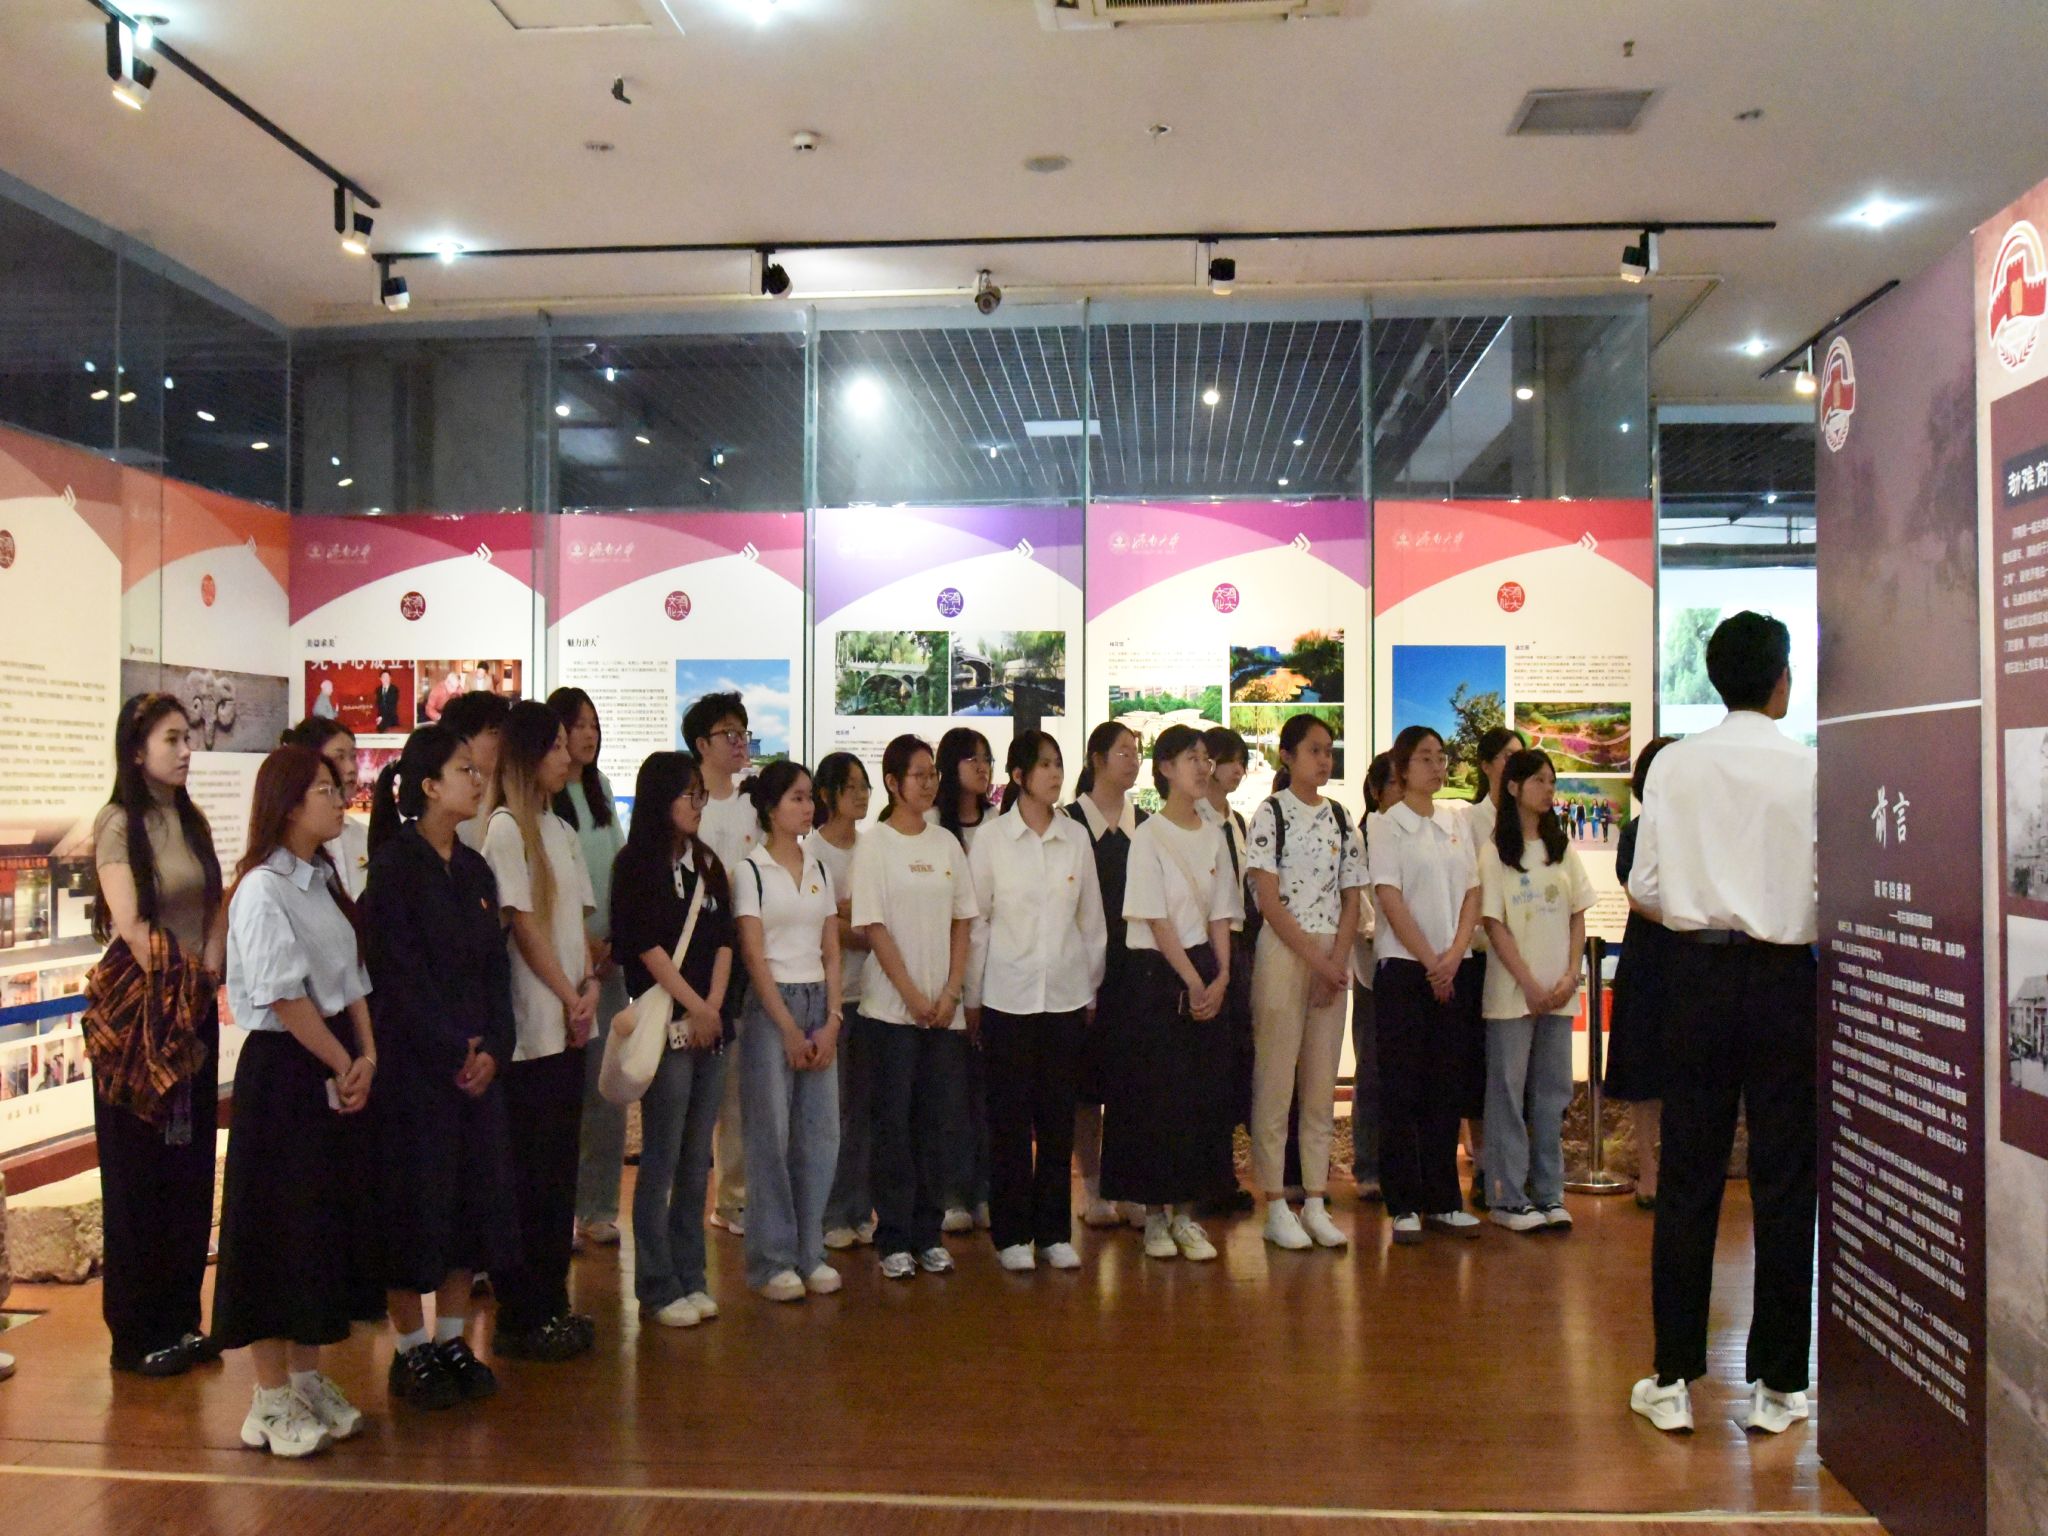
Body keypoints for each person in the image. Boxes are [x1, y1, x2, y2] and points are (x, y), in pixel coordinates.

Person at [1626, 613, 1817, 1437]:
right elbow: (1827, 886)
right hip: (1784, 980)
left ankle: (1672, 1379)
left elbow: (1645, 887)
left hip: (1696, 978)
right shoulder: (1809, 767)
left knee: (1688, 1175)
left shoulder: (1676, 764)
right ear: (1780, 679)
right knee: (1785, 1178)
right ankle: (1781, 1387)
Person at [213, 745, 376, 1458]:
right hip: (285, 1072)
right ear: (287, 805)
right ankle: (269, 1396)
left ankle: (307, 1379)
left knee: (320, 1228)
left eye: (338, 788)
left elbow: (354, 978)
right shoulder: (261, 889)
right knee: (274, 1229)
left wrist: (367, 1057)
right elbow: (284, 995)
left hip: (334, 1059)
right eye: (323, 790)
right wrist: (343, 1061)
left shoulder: (324, 880)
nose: (339, 800)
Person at [361, 725, 519, 1410]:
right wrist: (455, 1049)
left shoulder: (475, 868)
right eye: (463, 771)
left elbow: (495, 969)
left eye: (477, 771)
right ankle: (410, 1349)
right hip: (416, 1072)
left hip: (475, 1069)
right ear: (428, 785)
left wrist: (495, 1047)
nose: (477, 780)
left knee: (469, 1204)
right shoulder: (395, 867)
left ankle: (453, 1339)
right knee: (410, 1207)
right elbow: (397, 977)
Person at [83, 693, 226, 1378]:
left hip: (193, 1011)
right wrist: (190, 984)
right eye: (172, 739)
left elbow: (214, 906)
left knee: (189, 1169)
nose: (186, 750)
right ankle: (135, 1333)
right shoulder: (119, 823)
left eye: (187, 738)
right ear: (137, 750)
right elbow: (134, 926)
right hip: (143, 1019)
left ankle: (181, 1319)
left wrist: (210, 975)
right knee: (138, 1174)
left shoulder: (191, 820)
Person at [482, 701, 600, 1361]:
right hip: (530, 1030)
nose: (566, 754)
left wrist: (587, 990)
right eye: (555, 745)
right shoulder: (505, 829)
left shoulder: (561, 827)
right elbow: (523, 926)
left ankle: (552, 1303)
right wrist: (568, 995)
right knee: (527, 1174)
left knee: (558, 1173)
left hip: (567, 1023)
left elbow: (574, 923)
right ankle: (522, 1312)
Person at [966, 732, 1105, 1272]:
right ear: (1019, 776)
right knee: (1009, 1122)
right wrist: (973, 997)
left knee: (1056, 1120)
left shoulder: (1075, 837)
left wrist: (1089, 987)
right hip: (1008, 997)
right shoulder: (993, 840)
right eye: (1043, 765)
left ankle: (1053, 1231)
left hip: (1065, 998)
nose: (1055, 774)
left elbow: (1091, 921)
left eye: (1058, 764)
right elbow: (978, 923)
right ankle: (1011, 1234)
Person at [1104, 724, 1240, 1263]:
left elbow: (1223, 912)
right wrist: (1193, 979)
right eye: (1191, 758)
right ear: (1164, 769)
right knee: (1156, 1097)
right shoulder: (1149, 835)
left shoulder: (1214, 834)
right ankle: (1156, 1216)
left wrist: (1222, 975)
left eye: (1206, 758)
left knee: (1200, 1097)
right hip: (1158, 975)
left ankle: (1186, 1214)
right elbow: (1155, 919)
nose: (1203, 768)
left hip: (1206, 966)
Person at [610, 752, 735, 1329]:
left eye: (700, 794)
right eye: (689, 794)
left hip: (711, 1026)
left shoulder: (708, 863)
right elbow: (645, 947)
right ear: (660, 798)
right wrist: (695, 1005)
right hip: (668, 1025)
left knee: (695, 1159)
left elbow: (726, 939)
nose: (697, 804)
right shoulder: (635, 865)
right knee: (661, 1155)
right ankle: (657, 1286)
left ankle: (692, 1275)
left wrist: (714, 1007)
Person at [851, 734, 977, 1280]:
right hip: (890, 1014)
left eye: (933, 774)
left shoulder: (946, 843)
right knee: (893, 1127)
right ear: (893, 782)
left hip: (943, 1015)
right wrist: (913, 996)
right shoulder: (875, 845)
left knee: (938, 1124)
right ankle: (894, 1237)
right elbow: (874, 927)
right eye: (918, 774)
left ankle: (929, 1233)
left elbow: (963, 920)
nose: (928, 783)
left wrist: (949, 994)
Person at [1245, 714, 1365, 1251]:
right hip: (1285, 951)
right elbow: (1268, 901)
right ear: (1287, 756)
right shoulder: (1270, 813)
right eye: (1314, 750)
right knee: (1275, 1081)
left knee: (1320, 1085)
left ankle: (1315, 1198)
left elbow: (1352, 894)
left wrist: (1336, 961)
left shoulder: (1341, 816)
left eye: (1328, 750)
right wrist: (1318, 962)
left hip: (1330, 955)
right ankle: (1275, 1202)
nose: (1324, 759)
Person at [733, 761, 845, 1300]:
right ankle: (772, 1258)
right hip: (771, 1006)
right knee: (770, 1136)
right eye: (797, 798)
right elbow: (754, 956)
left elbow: (831, 948)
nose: (808, 807)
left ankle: (809, 1250)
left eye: (809, 797)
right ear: (771, 807)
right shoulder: (750, 871)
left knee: (819, 1134)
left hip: (818, 1000)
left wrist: (832, 1020)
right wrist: (786, 1026)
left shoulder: (818, 866)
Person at [1370, 725, 1483, 1246]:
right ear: (1402, 768)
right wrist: (1431, 961)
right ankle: (1403, 1203)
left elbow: (1472, 893)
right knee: (1402, 1087)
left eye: (1441, 757)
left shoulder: (1455, 820)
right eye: (1425, 758)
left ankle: (1444, 1200)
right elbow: (1389, 898)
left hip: (1452, 967)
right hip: (1404, 968)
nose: (1437, 766)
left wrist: (1453, 956)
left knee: (1446, 1084)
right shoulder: (1386, 825)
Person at [1478, 749, 1593, 1234]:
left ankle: (1550, 1193)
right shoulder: (1494, 852)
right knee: (1507, 1093)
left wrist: (1569, 976)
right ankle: (1508, 1196)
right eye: (1539, 781)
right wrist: (1527, 982)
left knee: (1551, 1095)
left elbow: (1577, 916)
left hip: (1559, 993)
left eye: (1552, 781)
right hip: (1512, 994)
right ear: (1514, 787)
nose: (1549, 790)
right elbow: (1494, 922)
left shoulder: (1561, 849)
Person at [546, 688, 630, 1253]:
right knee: (562, 1094)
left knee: (607, 1090)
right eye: (577, 725)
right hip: (560, 964)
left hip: (609, 963)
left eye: (594, 724)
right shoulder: (545, 796)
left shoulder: (599, 788)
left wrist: (615, 939)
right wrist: (581, 945)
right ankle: (559, 1212)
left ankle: (598, 1208)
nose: (587, 734)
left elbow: (618, 867)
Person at [1066, 721, 1149, 1230]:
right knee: (1085, 1086)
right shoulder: (1070, 822)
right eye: (1122, 752)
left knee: (1132, 1084)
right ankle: (1094, 1188)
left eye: (1136, 752)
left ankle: (1132, 1186)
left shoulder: (1147, 825)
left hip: (1137, 971)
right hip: (1083, 971)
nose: (1133, 760)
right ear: (1097, 759)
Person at [684, 691, 760, 1238]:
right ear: (700, 743)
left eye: (743, 733)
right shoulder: (690, 806)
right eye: (727, 734)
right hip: (703, 957)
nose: (738, 742)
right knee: (705, 1085)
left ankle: (737, 1197)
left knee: (744, 1086)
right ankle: (704, 1198)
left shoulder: (756, 804)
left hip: (754, 951)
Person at [1603, 736, 1680, 1211]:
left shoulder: (1698, 829)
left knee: (1686, 1068)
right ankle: (1649, 1170)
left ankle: (1678, 1168)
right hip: (1650, 955)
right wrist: (1687, 915)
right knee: (1643, 1067)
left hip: (1691, 956)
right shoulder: (1635, 832)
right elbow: (1637, 897)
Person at [810, 753, 878, 1250]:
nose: (860, 794)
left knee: (865, 1111)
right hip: (829, 997)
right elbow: (822, 925)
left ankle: (859, 1208)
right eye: (850, 786)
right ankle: (830, 1212)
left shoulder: (873, 848)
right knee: (828, 1113)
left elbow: (878, 919)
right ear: (827, 794)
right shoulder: (811, 851)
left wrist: (846, 918)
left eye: (864, 785)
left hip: (873, 995)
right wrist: (849, 921)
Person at [932, 726, 995, 1233]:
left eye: (987, 759)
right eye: (972, 759)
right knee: (949, 1095)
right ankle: (951, 1193)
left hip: (997, 979)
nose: (982, 767)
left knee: (991, 1096)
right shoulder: (932, 827)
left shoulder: (1000, 825)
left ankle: (987, 1191)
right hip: (944, 979)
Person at [1460, 725, 1524, 1210]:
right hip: (1482, 957)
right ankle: (1484, 1166)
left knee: (1520, 1072)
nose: (1514, 764)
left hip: (1525, 961)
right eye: (1506, 756)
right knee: (1479, 1069)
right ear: (1486, 765)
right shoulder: (1470, 821)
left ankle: (1520, 1168)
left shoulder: (1535, 822)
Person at [1199, 724, 1262, 1216]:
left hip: (1242, 947)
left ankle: (1223, 1174)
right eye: (1230, 760)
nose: (1238, 769)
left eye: (1242, 761)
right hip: (1205, 946)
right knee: (1208, 1064)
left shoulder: (1237, 821)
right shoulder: (1194, 819)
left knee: (1236, 1062)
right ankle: (1205, 1178)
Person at [1350, 752, 1399, 1201]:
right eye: (1395, 783)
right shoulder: (1360, 838)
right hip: (1373, 967)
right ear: (1376, 791)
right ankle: (1368, 1164)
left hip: (1414, 965)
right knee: (1372, 1069)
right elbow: (1361, 907)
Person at [282, 718, 368, 899]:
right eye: (339, 757)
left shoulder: (364, 835)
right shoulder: (287, 850)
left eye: (353, 757)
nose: (351, 768)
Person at [441, 690, 512, 852]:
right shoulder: (451, 810)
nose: (504, 741)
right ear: (463, 740)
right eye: (494, 733)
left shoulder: (510, 798)